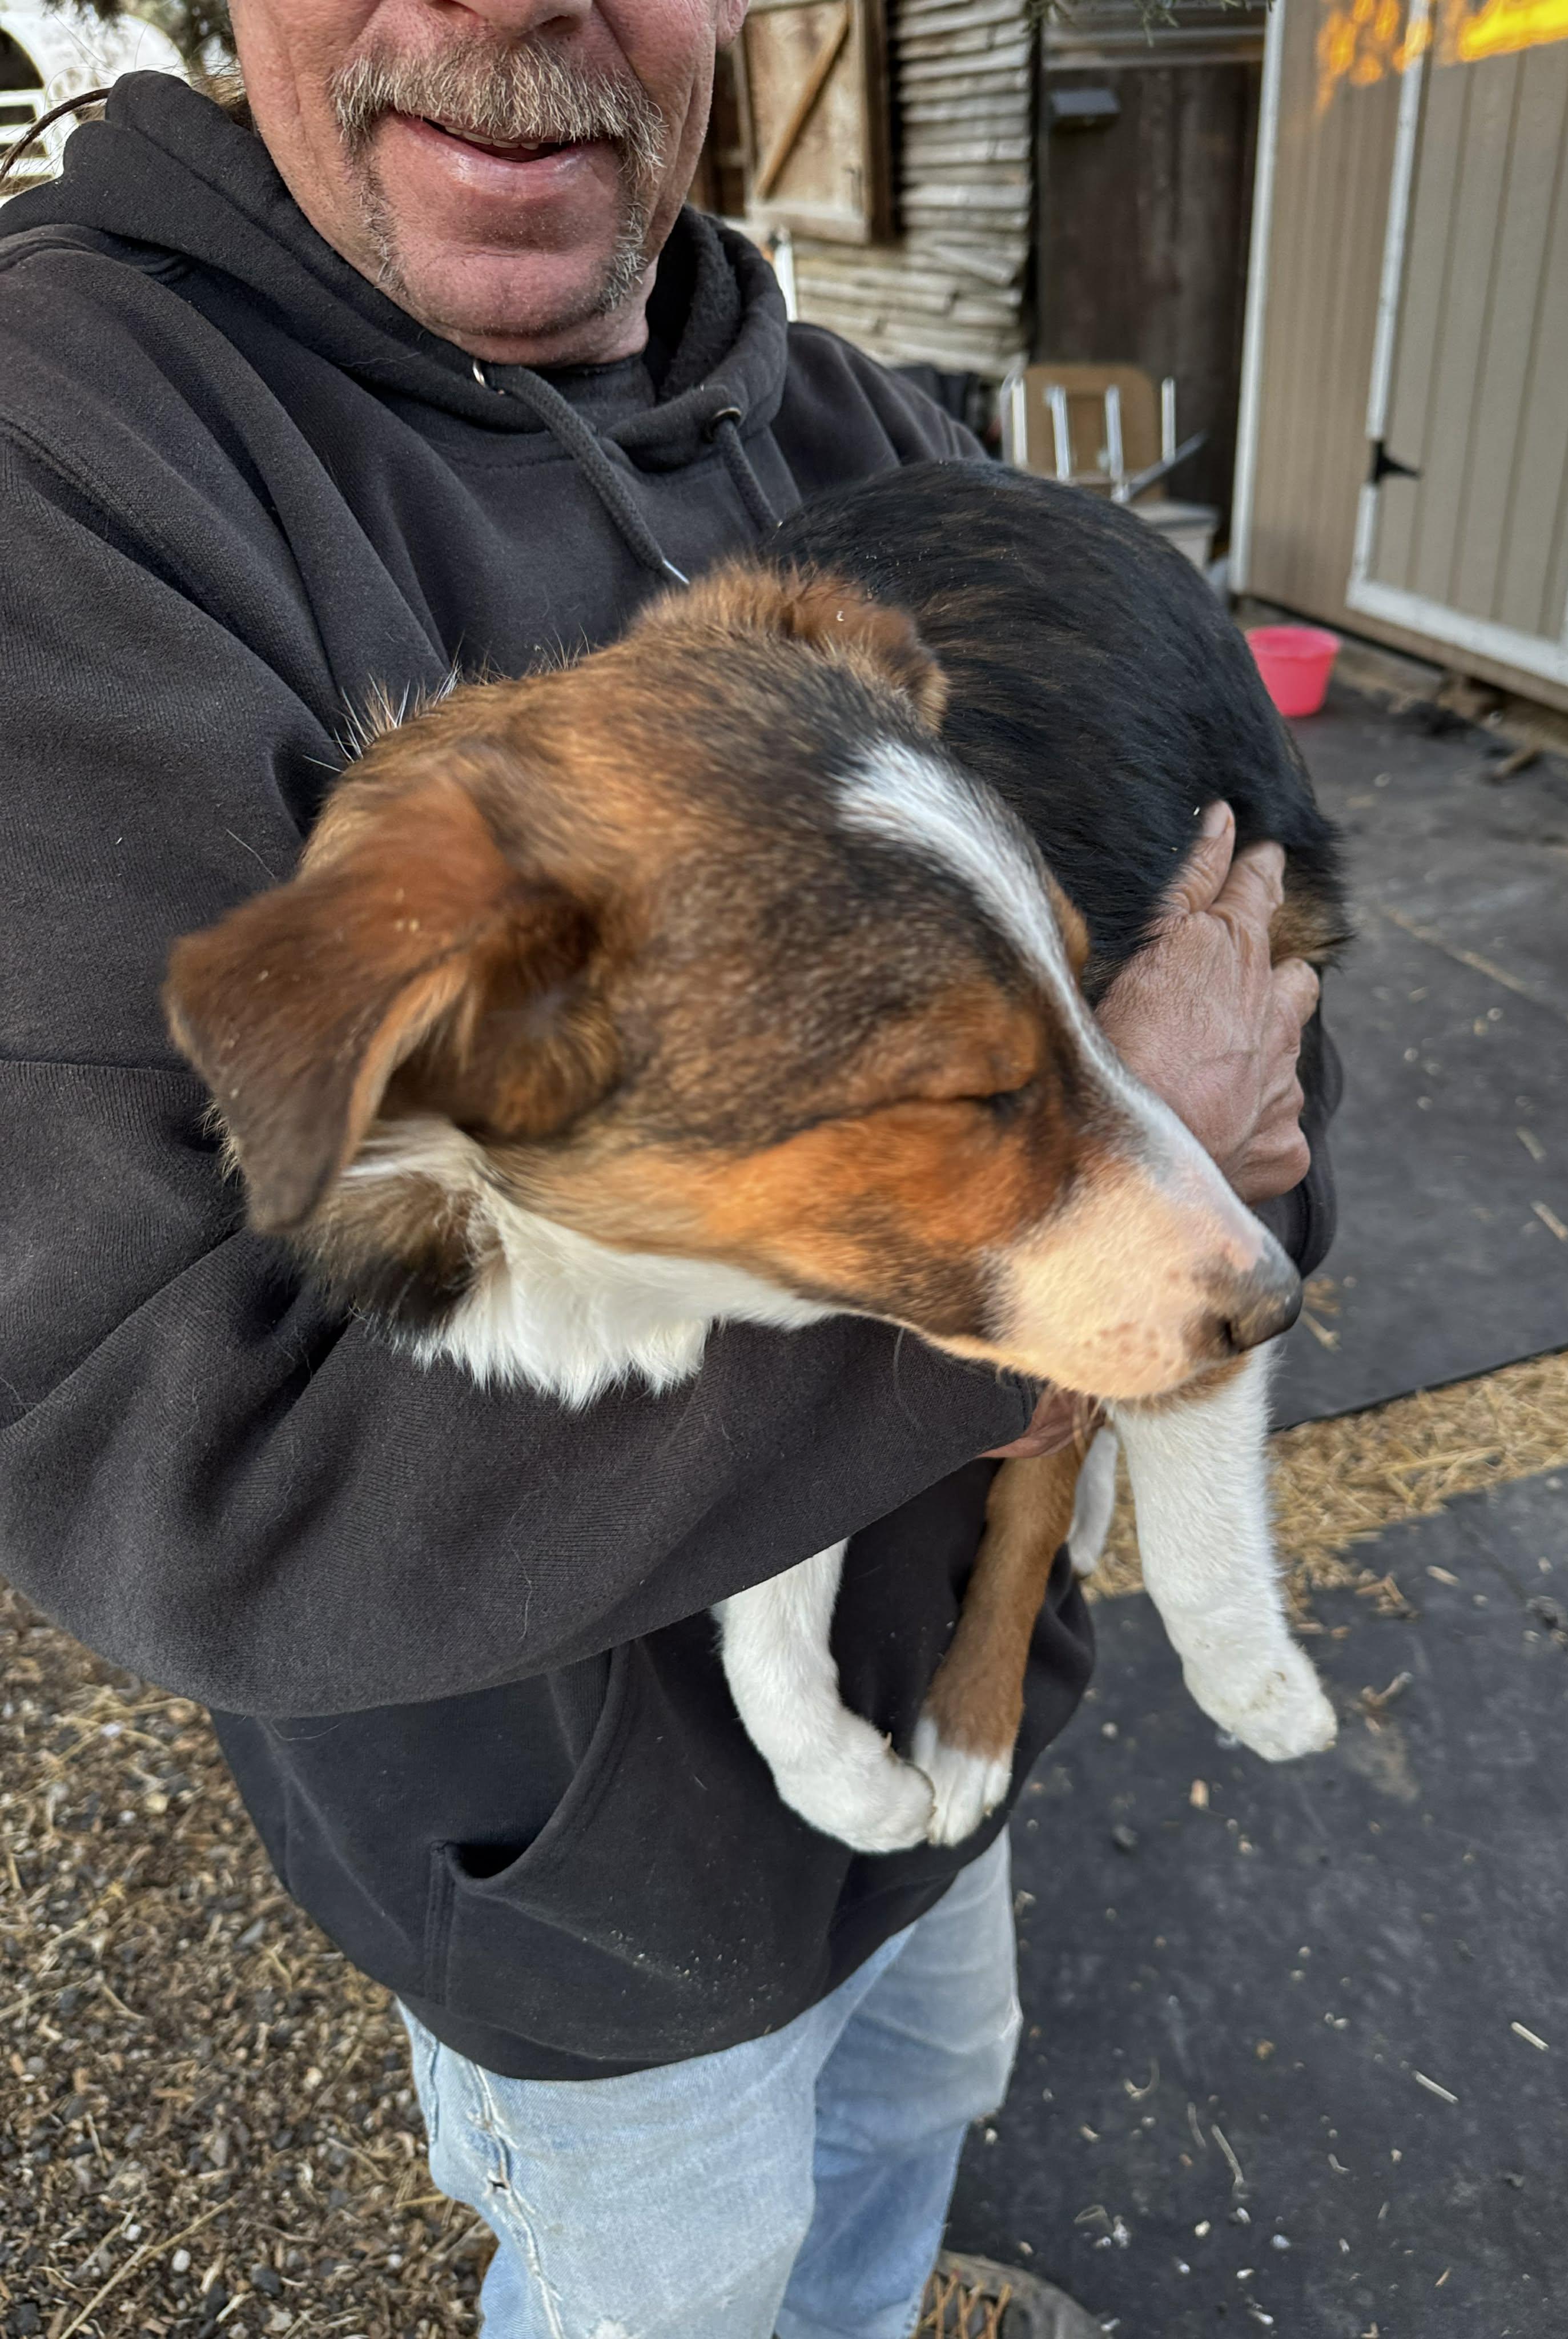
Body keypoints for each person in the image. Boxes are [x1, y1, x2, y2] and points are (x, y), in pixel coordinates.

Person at [0, 6, 1334, 2334]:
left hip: (940, 1733)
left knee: (915, 2134)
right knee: (671, 2289)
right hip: (585, 1895)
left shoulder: (852, 437)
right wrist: (1049, 1298)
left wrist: (1213, 1152)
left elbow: (1218, 947)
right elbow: (184, 1456)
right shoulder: (73, 461)